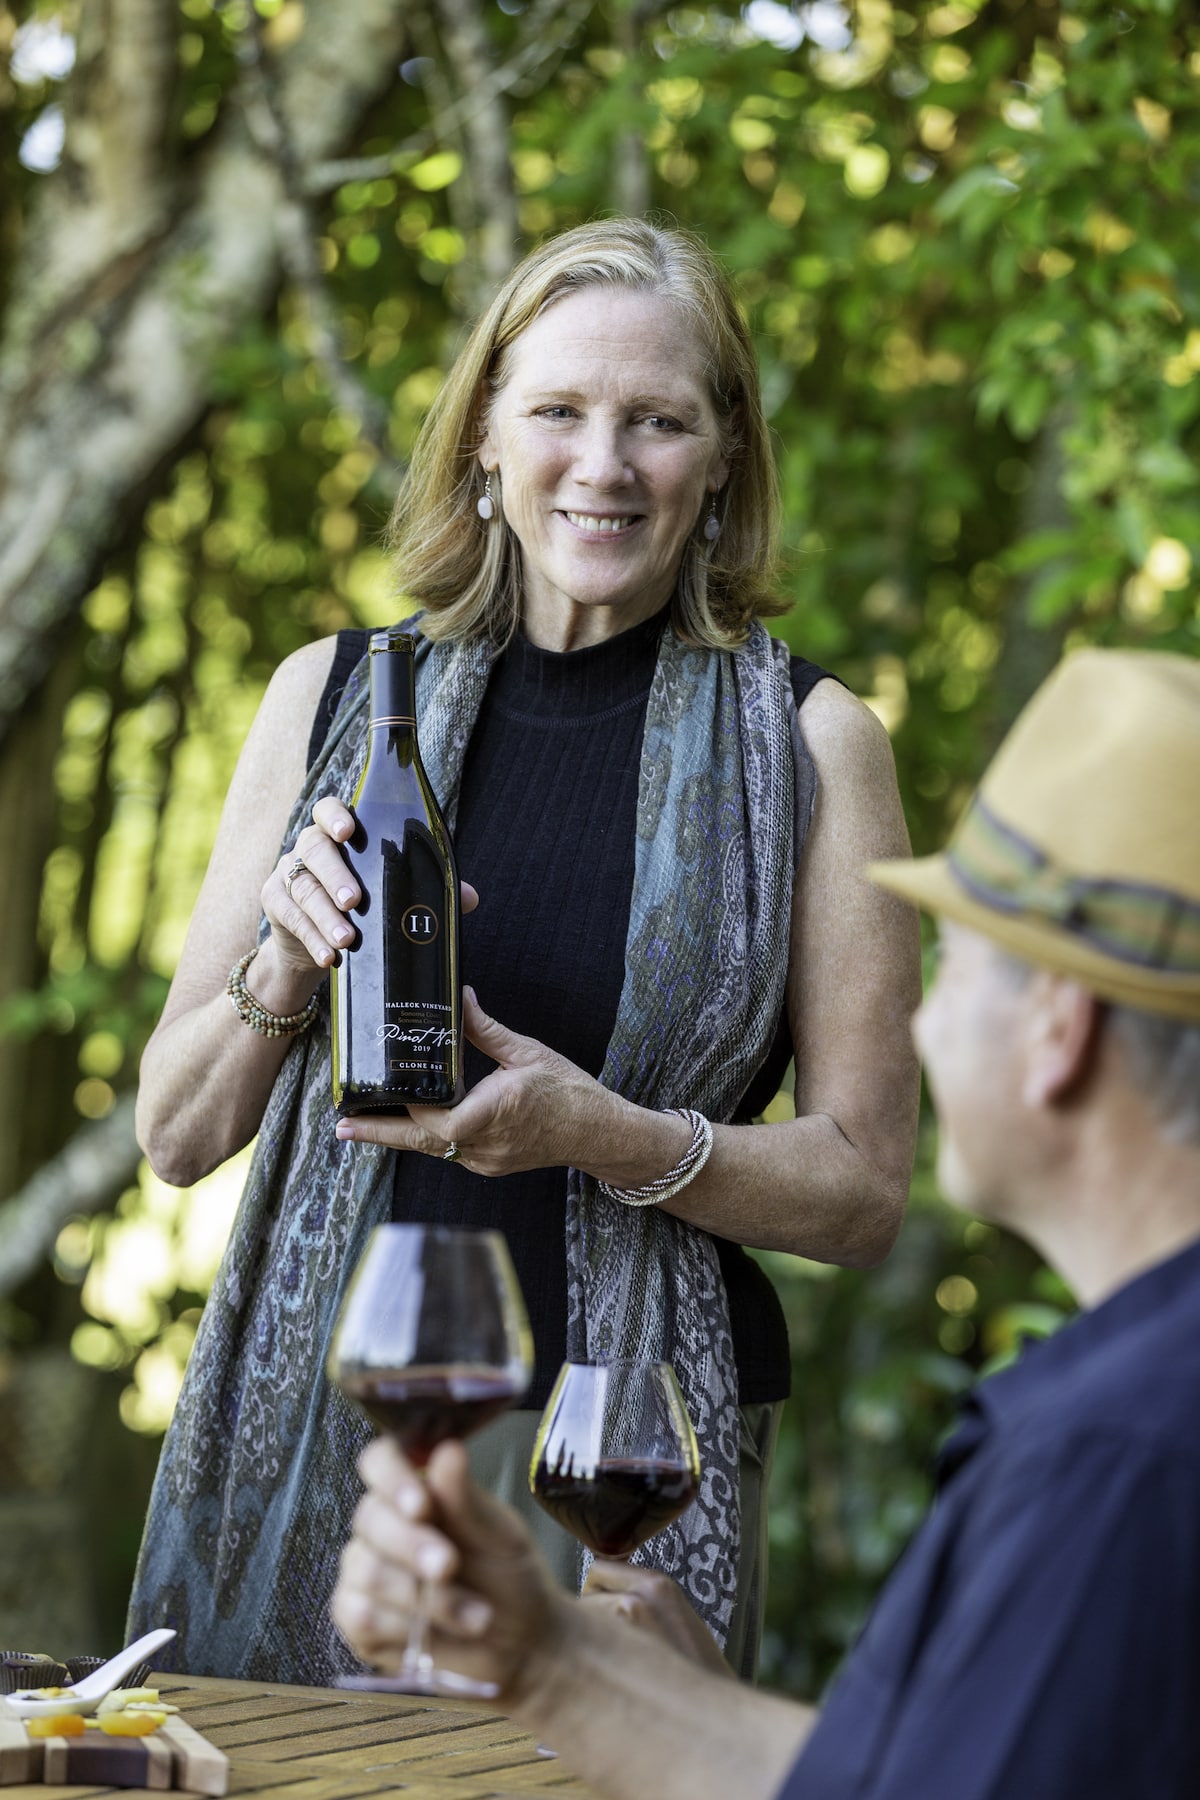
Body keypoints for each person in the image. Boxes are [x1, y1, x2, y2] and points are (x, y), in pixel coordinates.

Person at [127, 217, 920, 1684]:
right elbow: (177, 1137)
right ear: (485, 434)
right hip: (316, 1430)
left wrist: (604, 1135)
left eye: (657, 421)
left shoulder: (816, 746)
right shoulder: (331, 701)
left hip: (617, 1463)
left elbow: (866, 1190)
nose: (603, 466)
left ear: (725, 453)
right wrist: (281, 968)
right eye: (558, 410)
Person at [331, 646, 1200, 1799]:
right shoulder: (1137, 1402)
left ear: (1058, 1029)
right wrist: (545, 1653)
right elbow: (903, 1779)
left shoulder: (1113, 1457)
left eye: (956, 971)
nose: (925, 1027)